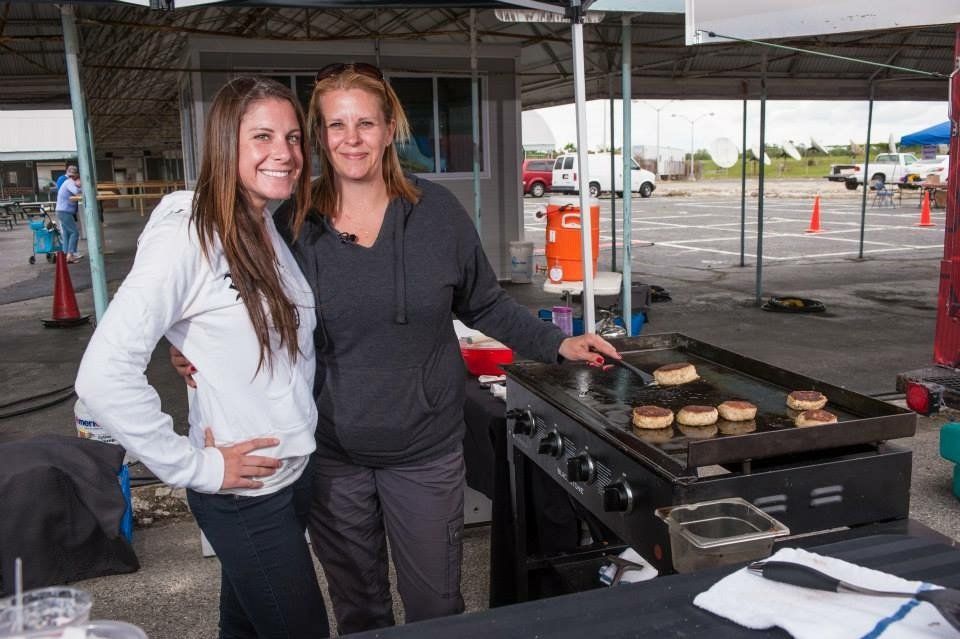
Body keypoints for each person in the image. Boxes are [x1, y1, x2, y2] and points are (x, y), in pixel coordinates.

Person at [174, 62, 619, 635]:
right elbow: (235, 312)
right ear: (320, 135)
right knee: (360, 609)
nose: (351, 139)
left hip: (426, 449)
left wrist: (559, 344)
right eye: (336, 126)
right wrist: (188, 351)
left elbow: (484, 305)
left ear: (389, 129)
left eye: (365, 123)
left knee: (437, 608)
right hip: (332, 454)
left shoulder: (438, 215)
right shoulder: (288, 221)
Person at [76, 76, 330, 639]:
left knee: (241, 628)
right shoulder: (189, 234)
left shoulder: (265, 224)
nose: (284, 153)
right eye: (262, 136)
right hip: (242, 493)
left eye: (292, 137)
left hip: (289, 476)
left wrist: (188, 341)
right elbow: (102, 375)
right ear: (224, 144)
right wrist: (194, 466)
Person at [55, 165, 83, 263]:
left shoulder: (66, 182)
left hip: (61, 211)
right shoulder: (69, 182)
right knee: (74, 232)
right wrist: (81, 187)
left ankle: (65, 255)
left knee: (67, 234)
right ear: (75, 177)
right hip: (64, 211)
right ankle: (70, 255)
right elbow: (76, 192)